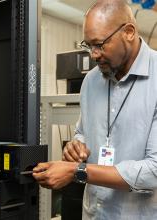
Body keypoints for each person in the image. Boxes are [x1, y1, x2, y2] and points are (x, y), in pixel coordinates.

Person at [33, 0, 157, 219]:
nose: (93, 54)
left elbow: (154, 170)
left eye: (99, 44)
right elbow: (83, 131)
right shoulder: (91, 81)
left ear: (128, 32)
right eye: (88, 45)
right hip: (94, 213)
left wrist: (77, 171)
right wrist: (76, 147)